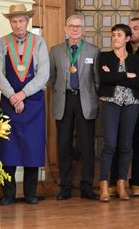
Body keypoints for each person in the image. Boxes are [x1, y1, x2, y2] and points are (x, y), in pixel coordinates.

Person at [0, 4, 50, 205]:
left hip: (33, 101)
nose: (18, 25)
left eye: (21, 20)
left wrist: (23, 94)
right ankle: (8, 194)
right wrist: (12, 96)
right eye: (14, 21)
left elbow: (44, 74)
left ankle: (30, 193)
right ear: (10, 22)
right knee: (8, 148)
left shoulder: (39, 42)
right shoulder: (3, 43)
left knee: (32, 147)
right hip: (9, 102)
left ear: (27, 21)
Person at [49, 14, 100, 201]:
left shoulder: (93, 51)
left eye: (79, 26)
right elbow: (51, 78)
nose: (75, 29)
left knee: (87, 145)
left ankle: (87, 186)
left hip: (85, 101)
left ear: (83, 29)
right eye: (71, 26)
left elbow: (97, 80)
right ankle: (65, 186)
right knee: (63, 145)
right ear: (65, 29)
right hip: (64, 101)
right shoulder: (55, 51)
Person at [109, 18, 139, 197]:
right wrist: (128, 77)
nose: (132, 31)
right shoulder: (119, 50)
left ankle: (137, 183)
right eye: (130, 28)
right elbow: (111, 77)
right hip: (118, 103)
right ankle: (114, 182)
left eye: (136, 28)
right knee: (117, 142)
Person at [98, 24, 139, 202]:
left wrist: (116, 76)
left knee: (125, 146)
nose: (115, 38)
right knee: (109, 145)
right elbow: (104, 79)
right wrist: (126, 76)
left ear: (127, 39)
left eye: (119, 35)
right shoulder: (104, 57)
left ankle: (122, 185)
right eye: (113, 35)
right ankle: (104, 186)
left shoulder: (134, 59)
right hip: (110, 103)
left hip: (131, 104)